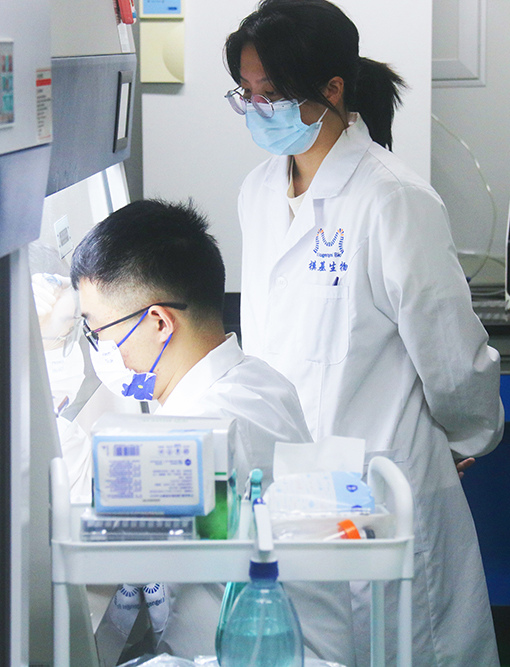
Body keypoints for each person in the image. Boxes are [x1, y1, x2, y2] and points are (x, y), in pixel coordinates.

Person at [224, 1, 505, 666]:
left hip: (383, 482)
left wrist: (464, 436)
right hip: (294, 487)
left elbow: (450, 353)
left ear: (332, 89)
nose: (258, 108)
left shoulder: (392, 197)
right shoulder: (257, 192)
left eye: (272, 94)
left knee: (404, 645)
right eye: (246, 94)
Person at [70, 199, 355, 665]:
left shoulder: (209, 428)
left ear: (159, 322)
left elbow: (87, 525)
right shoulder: (254, 380)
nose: (100, 347)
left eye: (98, 330)